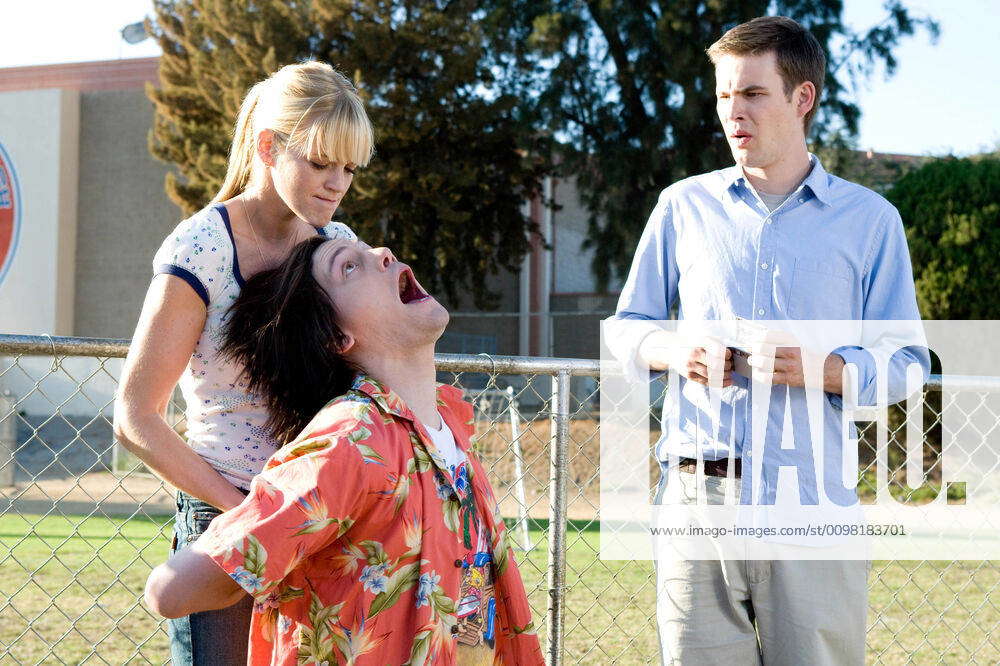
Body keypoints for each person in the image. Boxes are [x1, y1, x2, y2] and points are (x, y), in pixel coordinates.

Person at [608, 16, 927, 665]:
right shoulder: (680, 208)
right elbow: (627, 329)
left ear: (801, 98)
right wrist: (676, 352)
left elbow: (908, 365)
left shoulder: (871, 222)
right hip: (697, 504)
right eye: (724, 96)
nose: (732, 112)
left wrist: (827, 368)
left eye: (751, 93)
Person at [143, 235, 545, 666]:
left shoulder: (447, 429)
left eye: (369, 252)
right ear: (336, 335)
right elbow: (170, 591)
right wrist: (250, 546)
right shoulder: (350, 440)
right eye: (348, 266)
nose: (383, 253)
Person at [113, 61, 374, 664]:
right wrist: (250, 516)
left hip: (321, 513)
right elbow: (135, 415)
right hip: (223, 508)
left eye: (350, 168)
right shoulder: (200, 248)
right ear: (267, 145)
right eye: (320, 161)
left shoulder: (338, 247)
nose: (337, 183)